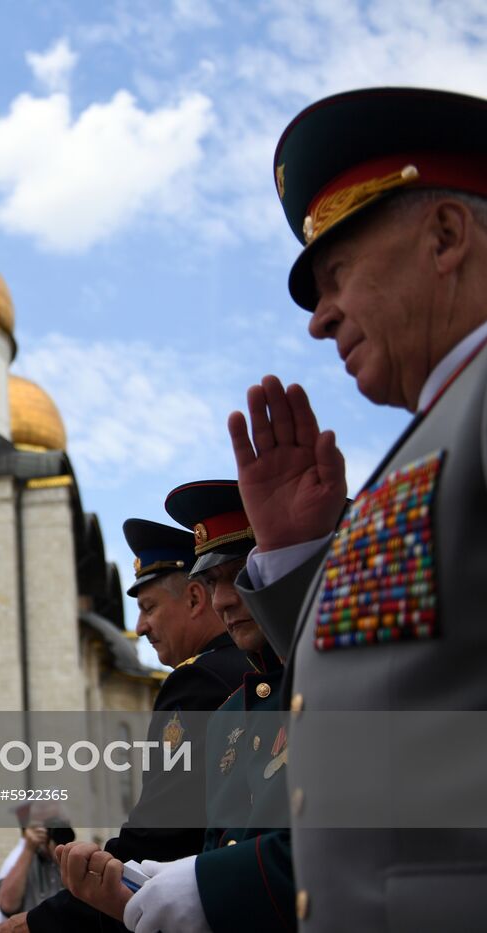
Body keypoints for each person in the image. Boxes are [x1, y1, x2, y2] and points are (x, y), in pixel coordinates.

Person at [227, 86, 487, 932]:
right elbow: (421, 677)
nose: (318, 319)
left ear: (445, 237)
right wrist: (304, 556)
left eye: (335, 275)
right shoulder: (440, 429)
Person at [54, 484, 294, 933]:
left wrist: (54, 919)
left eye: (242, 575)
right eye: (214, 580)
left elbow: (168, 836)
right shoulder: (237, 706)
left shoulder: (205, 680)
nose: (224, 599)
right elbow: (218, 847)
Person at [3, 514, 248, 933]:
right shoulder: (252, 669)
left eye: (149, 607)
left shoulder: (199, 680)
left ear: (193, 599)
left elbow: (161, 836)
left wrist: (46, 922)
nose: (140, 627)